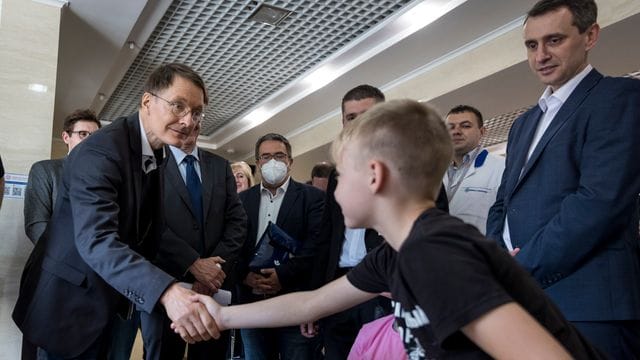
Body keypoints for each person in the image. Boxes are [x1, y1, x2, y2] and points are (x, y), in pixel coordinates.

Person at [180, 99, 604, 359]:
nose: (334, 190)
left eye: (343, 176)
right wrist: (221, 314)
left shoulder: (436, 252)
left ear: (374, 176)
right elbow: (310, 303)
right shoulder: (398, 251)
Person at [12, 63, 220, 359]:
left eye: (196, 113)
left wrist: (193, 263)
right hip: (66, 305)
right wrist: (167, 291)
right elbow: (97, 239)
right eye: (178, 106)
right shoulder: (102, 151)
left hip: (108, 302)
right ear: (147, 101)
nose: (188, 121)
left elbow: (150, 228)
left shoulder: (155, 152)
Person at [485, 0, 640, 357]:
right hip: (526, 301)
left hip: (591, 304)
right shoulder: (524, 123)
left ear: (590, 36)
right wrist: (498, 261)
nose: (541, 55)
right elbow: (503, 203)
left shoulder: (618, 97)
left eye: (554, 40)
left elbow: (598, 203)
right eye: (531, 44)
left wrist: (518, 268)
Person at [308, 85, 449, 359]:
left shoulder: (414, 165)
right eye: (352, 117)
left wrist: (404, 284)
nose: (360, 123)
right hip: (341, 285)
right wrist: (316, 299)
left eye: (368, 115)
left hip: (386, 290)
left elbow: (429, 231)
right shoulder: (339, 172)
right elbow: (324, 239)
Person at [153, 123, 247, 360]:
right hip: (167, 284)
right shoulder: (152, 164)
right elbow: (149, 224)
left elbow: (237, 222)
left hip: (216, 285)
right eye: (181, 114)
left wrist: (213, 271)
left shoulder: (220, 166)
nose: (188, 122)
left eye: (196, 114)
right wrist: (193, 263)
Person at [236, 133, 324, 360]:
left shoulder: (313, 198)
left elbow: (315, 248)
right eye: (265, 157)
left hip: (294, 303)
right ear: (257, 163)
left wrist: (282, 276)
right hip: (251, 304)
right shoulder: (241, 201)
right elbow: (231, 245)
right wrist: (244, 275)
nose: (272, 162)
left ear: (290, 161)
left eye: (279, 155)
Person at [24, 109, 102, 244]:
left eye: (95, 135)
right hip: (54, 258)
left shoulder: (104, 176)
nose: (90, 140)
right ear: (66, 137)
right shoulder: (45, 170)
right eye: (83, 134)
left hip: (96, 258)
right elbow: (36, 224)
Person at [442, 105, 504, 234]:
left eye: (465, 126)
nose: (456, 131)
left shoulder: (502, 167)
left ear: (482, 132)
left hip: (481, 251)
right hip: (441, 249)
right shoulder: (434, 172)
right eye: (450, 127)